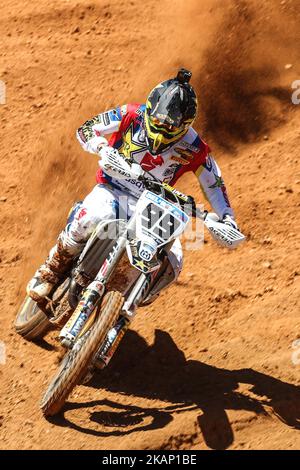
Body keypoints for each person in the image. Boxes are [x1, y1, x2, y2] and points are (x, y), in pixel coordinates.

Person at [27, 68, 239, 304]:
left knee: (174, 262)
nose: (161, 128)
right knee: (94, 216)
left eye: (170, 126)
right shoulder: (131, 114)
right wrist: (101, 147)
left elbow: (214, 183)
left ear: (185, 125)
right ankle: (51, 269)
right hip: (114, 190)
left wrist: (227, 217)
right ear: (149, 109)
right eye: (157, 120)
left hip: (155, 207)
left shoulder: (195, 147)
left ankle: (126, 300)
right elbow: (87, 128)